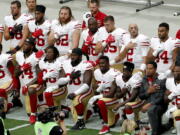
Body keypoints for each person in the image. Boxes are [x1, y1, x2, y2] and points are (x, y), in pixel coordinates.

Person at [57, 48, 93, 130]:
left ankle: (81, 123)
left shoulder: (85, 65)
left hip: (85, 92)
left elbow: (87, 85)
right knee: (75, 118)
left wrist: (75, 93)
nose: (72, 57)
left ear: (80, 57)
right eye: (72, 55)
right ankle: (90, 111)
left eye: (75, 55)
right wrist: (69, 78)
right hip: (72, 93)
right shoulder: (66, 64)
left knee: (77, 100)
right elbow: (59, 81)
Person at [90, 55, 120, 134]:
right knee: (97, 101)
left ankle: (106, 126)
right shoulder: (97, 72)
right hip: (104, 97)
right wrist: (98, 89)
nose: (101, 65)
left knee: (100, 102)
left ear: (108, 63)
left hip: (115, 98)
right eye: (100, 63)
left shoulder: (115, 73)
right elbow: (96, 91)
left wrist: (98, 96)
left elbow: (112, 94)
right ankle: (115, 115)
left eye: (103, 63)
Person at [14, 37, 40, 124]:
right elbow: (15, 74)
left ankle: (34, 114)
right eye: (24, 44)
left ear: (32, 46)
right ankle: (38, 107)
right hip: (25, 87)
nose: (24, 46)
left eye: (26, 45)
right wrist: (21, 68)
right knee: (28, 112)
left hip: (35, 84)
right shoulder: (19, 55)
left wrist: (28, 85)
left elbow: (39, 77)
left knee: (31, 90)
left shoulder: (35, 57)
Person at [113, 62, 143, 134]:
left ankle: (132, 127)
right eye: (123, 70)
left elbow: (133, 98)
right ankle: (134, 123)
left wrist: (120, 105)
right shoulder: (118, 78)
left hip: (137, 101)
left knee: (127, 106)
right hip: (124, 101)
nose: (124, 72)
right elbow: (117, 95)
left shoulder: (135, 79)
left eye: (126, 71)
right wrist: (122, 93)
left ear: (131, 71)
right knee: (121, 109)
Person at [139, 61, 169, 135]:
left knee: (151, 110)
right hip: (149, 103)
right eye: (147, 68)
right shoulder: (144, 79)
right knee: (159, 128)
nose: (148, 70)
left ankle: (154, 133)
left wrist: (150, 104)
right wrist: (148, 92)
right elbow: (141, 96)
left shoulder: (161, 79)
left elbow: (161, 97)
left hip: (160, 105)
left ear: (155, 69)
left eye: (150, 69)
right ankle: (166, 126)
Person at [0, 43, 22, 113]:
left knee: (3, 109)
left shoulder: (4, 58)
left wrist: (16, 88)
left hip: (8, 82)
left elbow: (14, 74)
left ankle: (10, 104)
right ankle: (15, 102)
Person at [164, 55, 180, 135]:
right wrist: (167, 95)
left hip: (177, 107)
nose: (176, 73)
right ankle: (176, 126)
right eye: (175, 71)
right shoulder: (169, 81)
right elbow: (166, 99)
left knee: (176, 113)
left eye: (178, 71)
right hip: (174, 105)